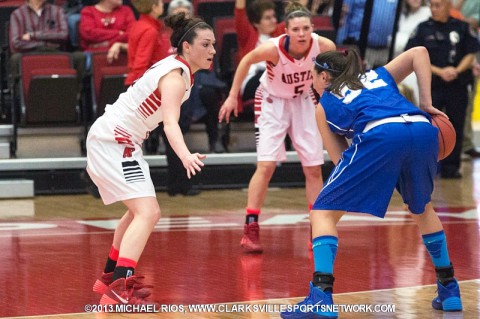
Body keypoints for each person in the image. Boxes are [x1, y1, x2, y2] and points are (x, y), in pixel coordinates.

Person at [280, 46, 463, 319]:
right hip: (423, 128)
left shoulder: (325, 103)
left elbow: (341, 159)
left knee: (322, 212)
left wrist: (379, 169)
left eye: (312, 77)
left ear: (324, 79)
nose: (311, 84)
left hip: (382, 135)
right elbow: (420, 52)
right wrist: (426, 103)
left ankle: (321, 296)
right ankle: (449, 288)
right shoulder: (376, 75)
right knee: (422, 209)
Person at [86, 12, 215, 305]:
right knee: (148, 212)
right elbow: (170, 124)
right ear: (186, 47)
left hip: (121, 138)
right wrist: (185, 155)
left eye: (214, 44)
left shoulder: (178, 69)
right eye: (206, 45)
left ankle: (110, 277)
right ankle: (120, 284)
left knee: (137, 211)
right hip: (114, 139)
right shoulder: (175, 78)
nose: (213, 51)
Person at [219, 1, 336, 253]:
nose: (301, 34)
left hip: (304, 100)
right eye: (296, 29)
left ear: (312, 28)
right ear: (287, 30)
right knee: (267, 165)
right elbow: (246, 61)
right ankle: (251, 226)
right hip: (272, 101)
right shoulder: (273, 49)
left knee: (313, 169)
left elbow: (331, 72)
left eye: (306, 28)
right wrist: (231, 96)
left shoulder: (324, 47)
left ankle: (316, 227)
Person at [405, 0, 480, 178]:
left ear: (448, 6)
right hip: (433, 86)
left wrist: (456, 70)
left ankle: (451, 168)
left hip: (457, 85)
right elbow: (413, 56)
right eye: (432, 5)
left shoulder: (462, 27)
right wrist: (440, 71)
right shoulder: (423, 29)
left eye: (438, 5)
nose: (434, 9)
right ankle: (429, 165)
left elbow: (471, 54)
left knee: (456, 125)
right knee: (429, 126)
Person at [234, 0, 284, 102]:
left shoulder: (279, 32)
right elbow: (239, 12)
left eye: (274, 16)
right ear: (256, 22)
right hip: (252, 82)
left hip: (276, 79)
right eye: (268, 18)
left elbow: (297, 16)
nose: (273, 20)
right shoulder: (247, 35)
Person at [79, 0, 135, 65]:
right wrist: (118, 33)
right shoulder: (88, 11)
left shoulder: (126, 10)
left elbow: (132, 34)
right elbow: (89, 33)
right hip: (95, 55)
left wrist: (108, 43)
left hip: (122, 52)